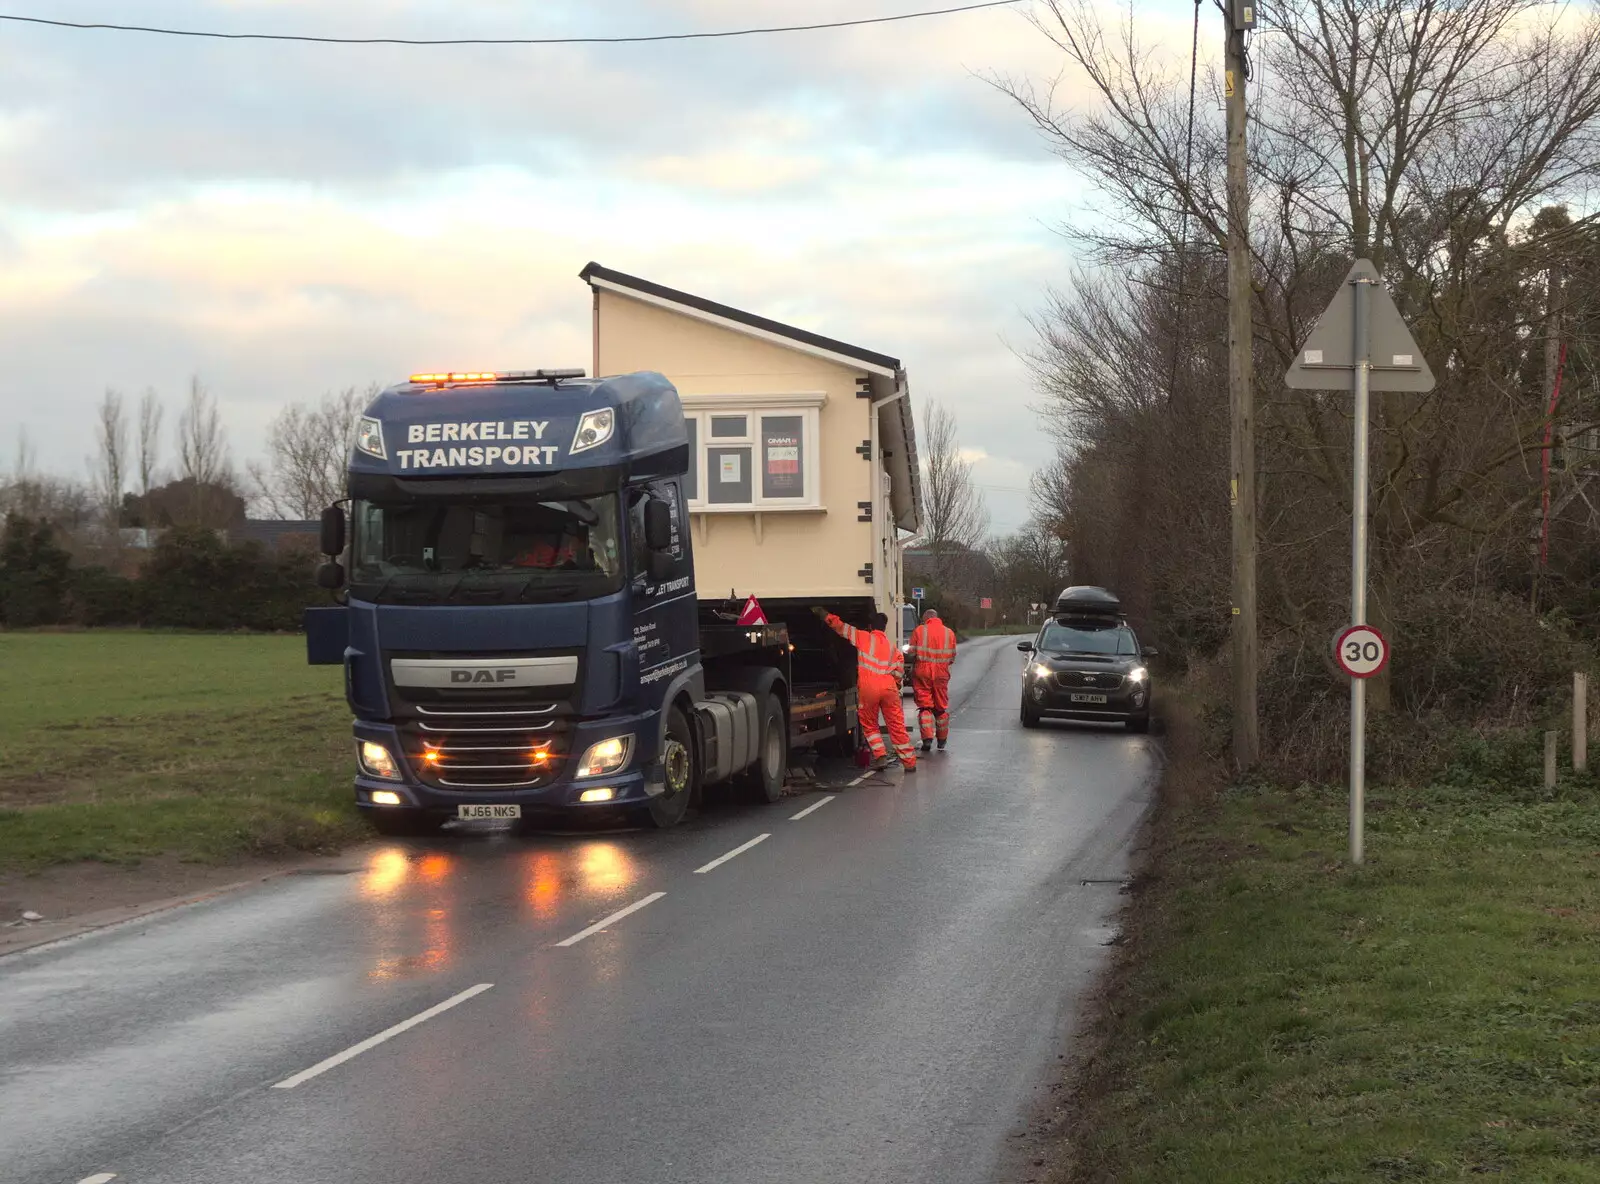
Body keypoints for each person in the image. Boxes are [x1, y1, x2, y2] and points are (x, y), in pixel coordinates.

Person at [814, 606, 917, 773]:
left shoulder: (863, 638)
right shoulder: (893, 649)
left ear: (870, 627)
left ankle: (880, 756)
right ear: (884, 628)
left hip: (869, 688)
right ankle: (909, 762)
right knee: (896, 726)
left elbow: (842, 628)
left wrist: (825, 615)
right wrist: (894, 685)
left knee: (869, 723)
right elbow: (899, 672)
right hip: (889, 688)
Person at [909, 607, 958, 752]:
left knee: (925, 706)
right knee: (940, 708)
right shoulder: (949, 633)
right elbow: (952, 656)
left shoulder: (919, 630)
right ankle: (942, 741)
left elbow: (912, 652)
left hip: (923, 671)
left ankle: (927, 739)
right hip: (941, 672)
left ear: (926, 619)